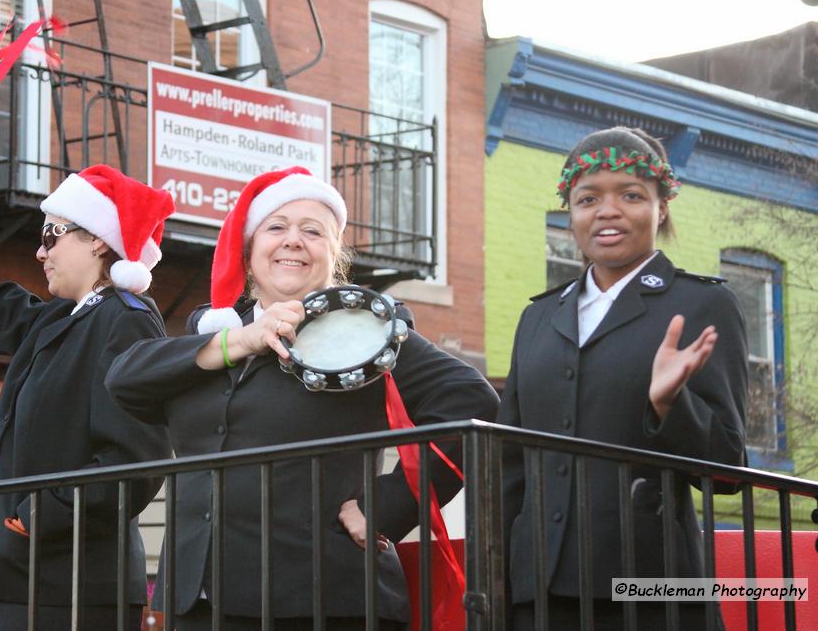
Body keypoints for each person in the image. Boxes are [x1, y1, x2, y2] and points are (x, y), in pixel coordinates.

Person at [106, 165, 499, 630]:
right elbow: (123, 381)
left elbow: (472, 400)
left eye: (313, 231)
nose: (294, 240)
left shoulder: (368, 329)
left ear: (333, 255)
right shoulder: (213, 333)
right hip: (199, 602)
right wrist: (243, 342)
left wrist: (385, 507)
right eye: (277, 227)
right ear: (250, 252)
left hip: (321, 599)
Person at [0, 164, 176, 630]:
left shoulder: (127, 318)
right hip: (30, 575)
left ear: (98, 239)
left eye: (51, 236)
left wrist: (41, 514)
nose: (40, 251)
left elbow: (136, 456)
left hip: (70, 585)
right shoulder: (68, 314)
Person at [497, 127, 748, 630]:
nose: (607, 211)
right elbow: (509, 469)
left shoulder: (702, 303)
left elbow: (727, 470)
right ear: (570, 213)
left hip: (647, 590)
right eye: (587, 198)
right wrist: (500, 583)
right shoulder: (539, 318)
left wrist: (669, 405)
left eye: (631, 195)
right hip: (537, 591)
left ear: (661, 208)